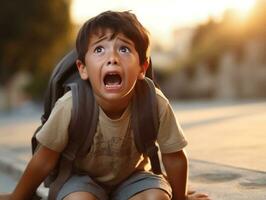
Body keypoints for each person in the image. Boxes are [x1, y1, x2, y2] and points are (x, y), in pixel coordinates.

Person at [0, 11, 210, 200]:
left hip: (132, 178)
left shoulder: (153, 102)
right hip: (80, 180)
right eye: (100, 49)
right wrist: (18, 196)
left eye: (124, 49)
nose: (112, 58)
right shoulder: (71, 105)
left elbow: (174, 157)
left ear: (142, 68)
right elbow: (44, 160)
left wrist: (180, 197)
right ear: (83, 69)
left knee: (156, 197)